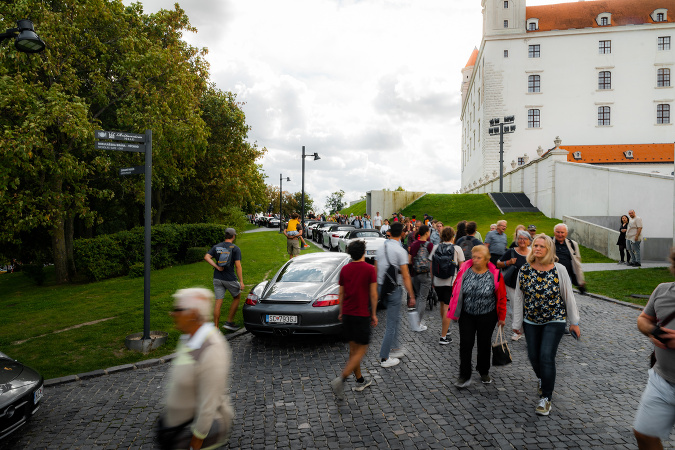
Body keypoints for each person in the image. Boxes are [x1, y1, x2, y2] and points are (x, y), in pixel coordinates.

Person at [512, 234, 581, 416]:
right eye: (536, 245)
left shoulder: (559, 269)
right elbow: (519, 298)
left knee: (546, 356)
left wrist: (574, 322)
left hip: (555, 319)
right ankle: (544, 379)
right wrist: (516, 323)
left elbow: (569, 296)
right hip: (531, 320)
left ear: (549, 249)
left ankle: (546, 398)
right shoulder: (525, 270)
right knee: (533, 356)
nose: (537, 249)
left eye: (542, 246)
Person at [159, 288, 233, 449]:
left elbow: (208, 403)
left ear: (193, 314)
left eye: (178, 310)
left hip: (196, 436)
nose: (172, 314)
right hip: (177, 428)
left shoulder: (212, 348)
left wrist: (196, 442)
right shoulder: (186, 337)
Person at [448, 245, 507, 388]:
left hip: (488, 315)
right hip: (467, 314)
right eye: (473, 257)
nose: (475, 260)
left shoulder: (495, 274)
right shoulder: (465, 271)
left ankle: (483, 370)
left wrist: (502, 317)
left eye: (479, 257)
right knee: (466, 344)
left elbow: (502, 297)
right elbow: (456, 289)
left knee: (484, 343)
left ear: (487, 259)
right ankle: (464, 375)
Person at [633, 249, 675, 449]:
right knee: (643, 434)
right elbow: (643, 319)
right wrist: (652, 330)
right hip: (662, 380)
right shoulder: (662, 290)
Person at [330, 240, 378, 400]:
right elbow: (373, 294)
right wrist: (374, 314)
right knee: (362, 349)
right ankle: (341, 378)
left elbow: (341, 294)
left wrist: (341, 312)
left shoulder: (344, 269)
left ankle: (360, 380)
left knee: (353, 350)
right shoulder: (370, 269)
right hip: (361, 314)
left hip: (348, 314)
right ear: (364, 252)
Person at [375, 222, 416, 368]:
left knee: (396, 318)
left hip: (380, 287)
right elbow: (405, 275)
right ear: (402, 234)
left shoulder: (380, 248)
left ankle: (395, 347)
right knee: (391, 324)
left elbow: (375, 270)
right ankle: (385, 358)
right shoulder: (400, 251)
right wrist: (411, 295)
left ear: (390, 232)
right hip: (393, 289)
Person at [429, 226, 465, 345]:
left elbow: (431, 266)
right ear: (453, 236)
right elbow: (462, 268)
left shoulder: (435, 247)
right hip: (451, 282)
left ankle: (446, 328)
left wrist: (432, 281)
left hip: (438, 281)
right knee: (447, 308)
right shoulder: (457, 248)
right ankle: (443, 337)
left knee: (442, 304)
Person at [204, 228, 244, 330]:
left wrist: (217, 267)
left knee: (218, 302)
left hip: (217, 278)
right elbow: (238, 266)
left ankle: (216, 328)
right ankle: (229, 322)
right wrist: (241, 281)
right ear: (233, 236)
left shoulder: (217, 247)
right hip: (229, 278)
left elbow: (206, 257)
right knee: (237, 297)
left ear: (225, 236)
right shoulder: (235, 248)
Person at [496, 230, 532, 340]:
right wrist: (509, 262)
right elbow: (498, 263)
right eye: (520, 238)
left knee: (528, 308)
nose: (522, 241)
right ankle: (518, 331)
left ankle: (529, 329)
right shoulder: (511, 251)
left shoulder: (533, 252)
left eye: (524, 239)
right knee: (516, 307)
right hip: (512, 285)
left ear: (529, 241)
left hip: (529, 286)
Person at [409, 225, 434, 332]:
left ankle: (416, 322)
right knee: (423, 298)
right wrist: (432, 277)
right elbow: (432, 262)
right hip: (425, 274)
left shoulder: (414, 244)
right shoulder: (429, 245)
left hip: (415, 274)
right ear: (427, 233)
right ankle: (417, 324)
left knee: (419, 296)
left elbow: (410, 260)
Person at [552, 223, 585, 295]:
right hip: (552, 276)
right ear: (554, 232)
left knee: (565, 296)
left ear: (566, 233)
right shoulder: (549, 242)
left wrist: (580, 280)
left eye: (562, 232)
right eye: (558, 232)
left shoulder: (573, 244)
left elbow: (577, 263)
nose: (560, 234)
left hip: (567, 276)